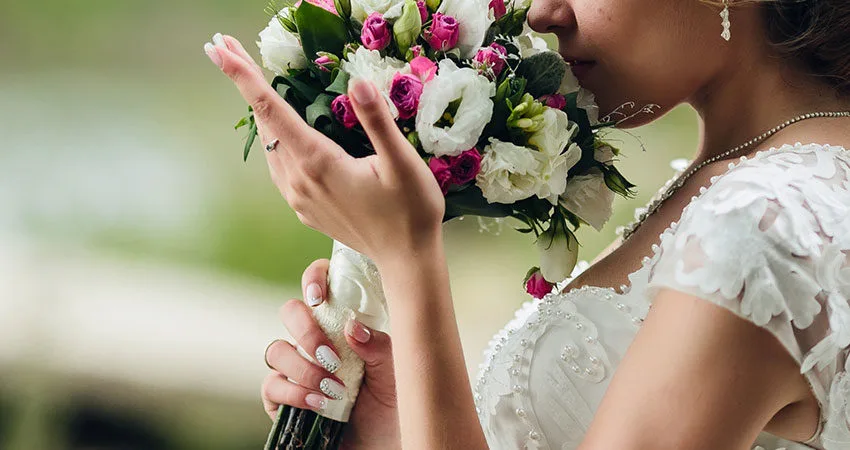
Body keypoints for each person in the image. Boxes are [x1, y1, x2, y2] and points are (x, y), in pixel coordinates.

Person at [204, 0, 850, 448]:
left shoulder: (766, 222)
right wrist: (404, 424)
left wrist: (407, 258)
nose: (542, 14)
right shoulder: (764, 186)